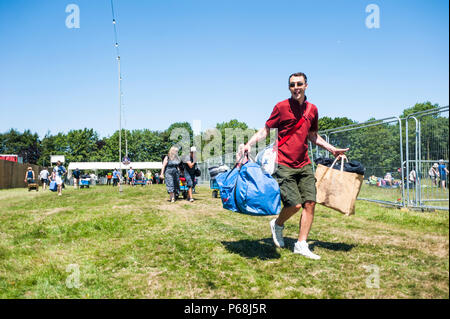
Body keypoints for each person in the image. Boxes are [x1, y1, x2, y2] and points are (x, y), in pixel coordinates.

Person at [243, 72, 349, 260]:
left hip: (304, 163)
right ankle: (278, 223)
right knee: (294, 204)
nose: (296, 87)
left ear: (306, 85)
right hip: (283, 164)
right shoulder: (281, 107)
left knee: (310, 203)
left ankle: (301, 244)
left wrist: (331, 149)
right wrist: (249, 144)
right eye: (292, 85)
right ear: (289, 87)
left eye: (299, 84)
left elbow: (312, 135)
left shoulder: (312, 110)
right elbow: (266, 129)